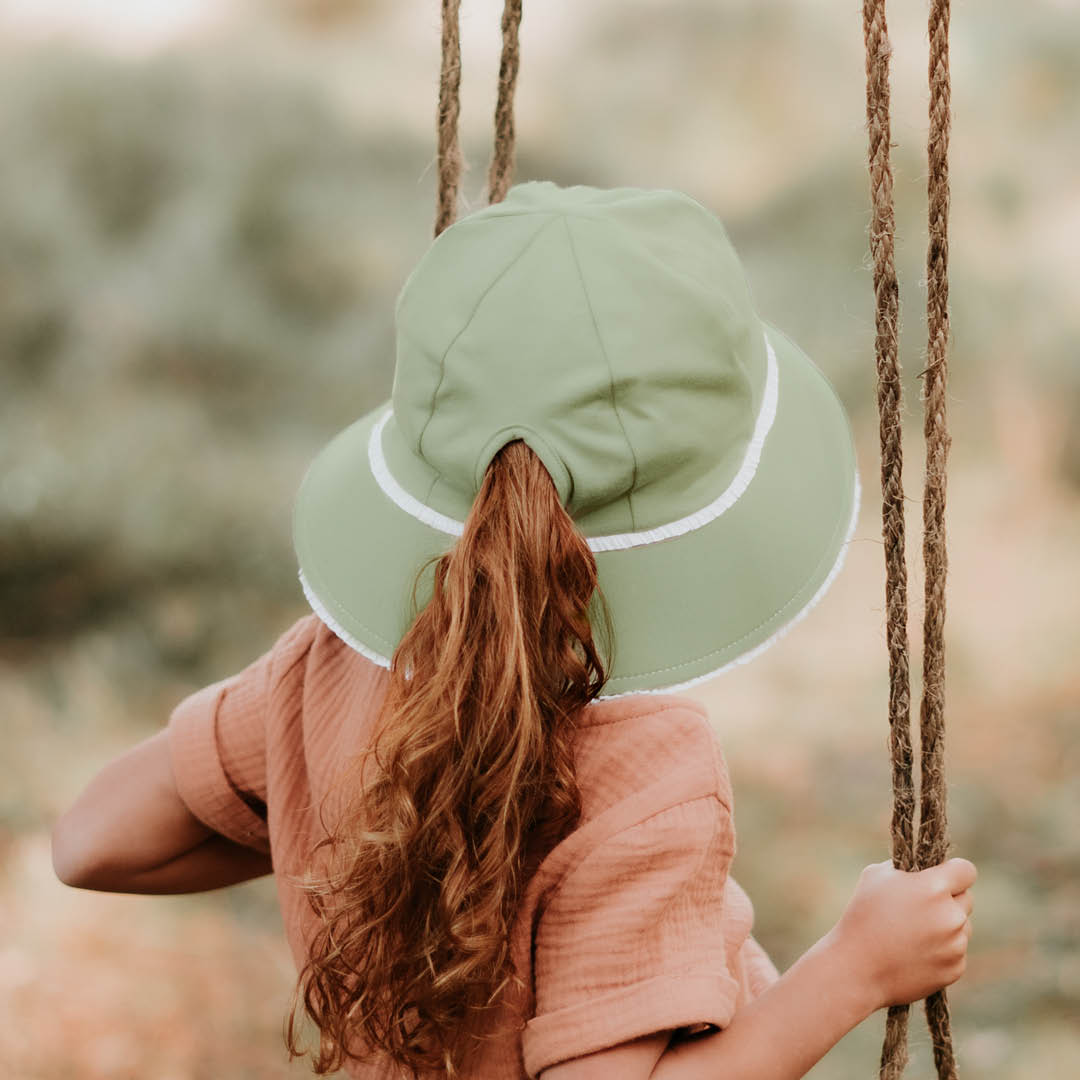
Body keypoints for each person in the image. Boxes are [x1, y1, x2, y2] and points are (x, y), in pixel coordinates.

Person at [52, 181, 976, 1080]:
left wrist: (376, 840)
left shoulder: (329, 673)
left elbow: (92, 839)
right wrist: (853, 970)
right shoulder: (644, 771)